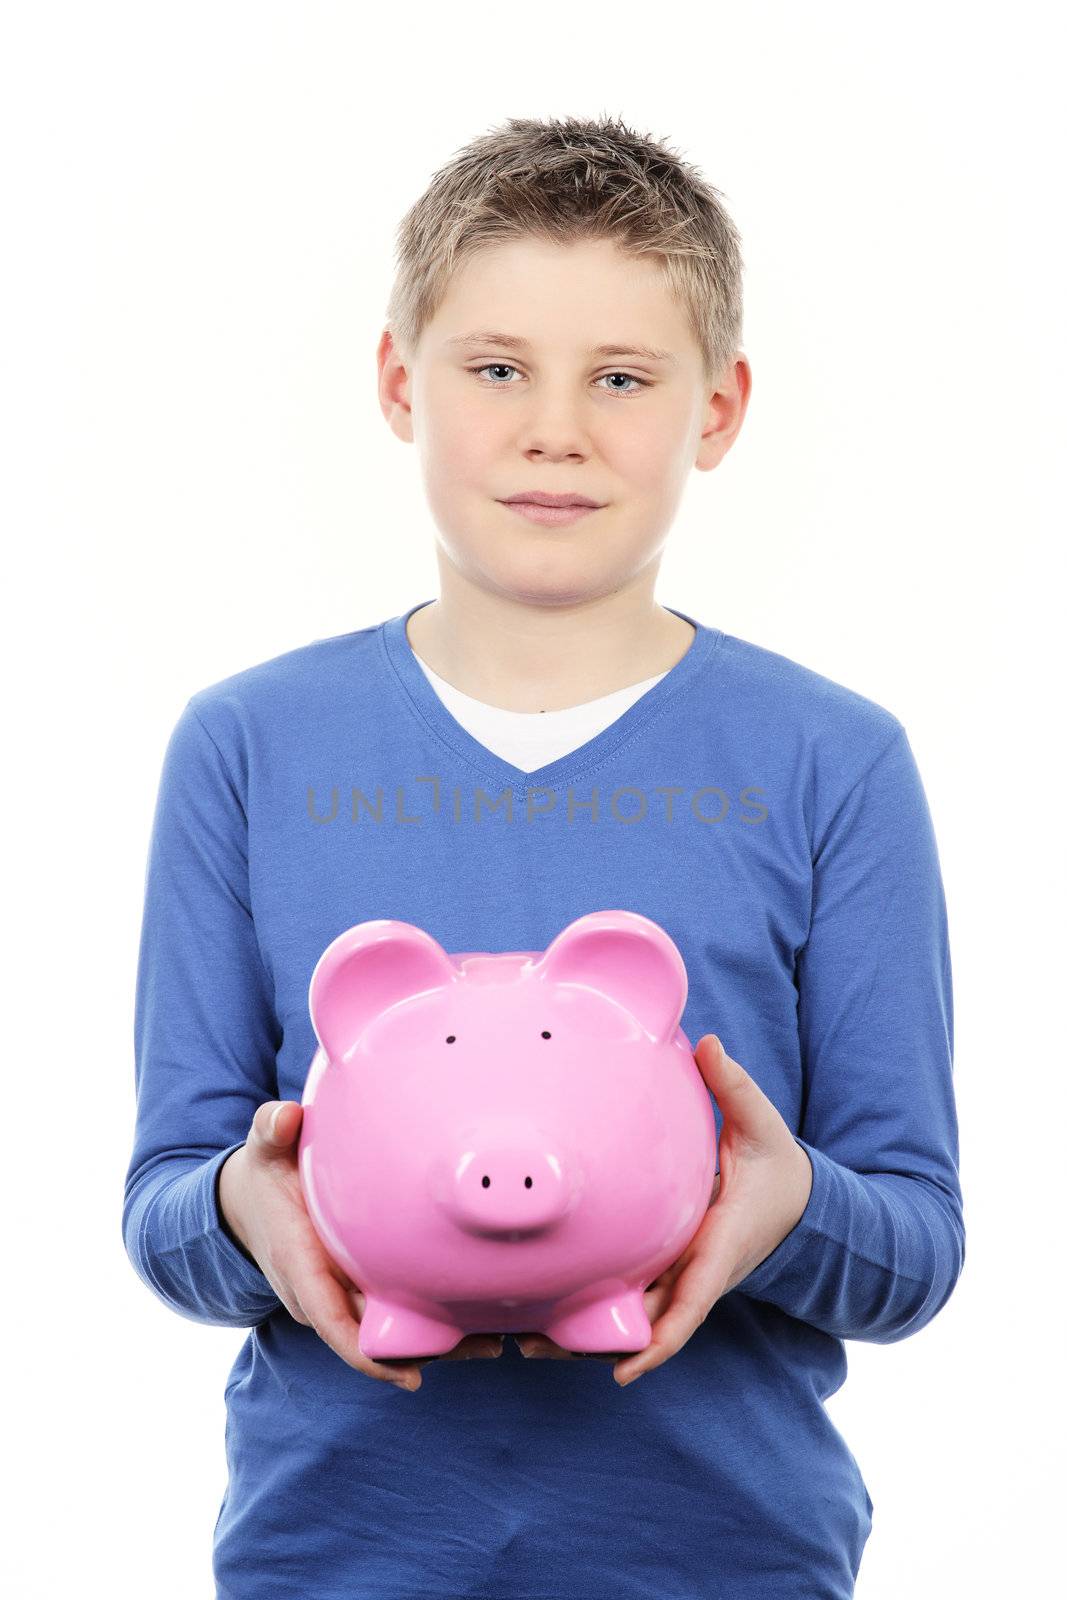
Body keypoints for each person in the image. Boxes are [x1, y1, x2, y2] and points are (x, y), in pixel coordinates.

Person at [122, 113, 965, 1599]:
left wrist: (774, 1207)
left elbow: (913, 1250)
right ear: (402, 382)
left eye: (622, 379)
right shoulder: (248, 747)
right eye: (496, 367)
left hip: (727, 1562)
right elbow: (170, 1203)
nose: (554, 429)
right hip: (333, 1562)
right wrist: (256, 1210)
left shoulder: (835, 762)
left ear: (717, 410)